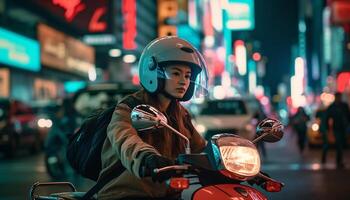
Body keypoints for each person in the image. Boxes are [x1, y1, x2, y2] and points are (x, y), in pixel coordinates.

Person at [97, 36, 209, 200]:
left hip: (167, 193)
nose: (183, 81)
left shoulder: (180, 114)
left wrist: (227, 159)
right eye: (176, 73)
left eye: (187, 75)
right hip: (126, 193)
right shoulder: (130, 107)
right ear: (152, 71)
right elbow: (125, 139)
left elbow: (199, 147)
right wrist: (147, 158)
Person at [326, 92, 350, 168]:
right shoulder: (332, 107)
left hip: (344, 128)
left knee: (342, 144)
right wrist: (328, 128)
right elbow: (327, 117)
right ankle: (339, 161)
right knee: (339, 144)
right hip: (336, 128)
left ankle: (339, 160)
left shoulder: (344, 106)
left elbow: (348, 116)